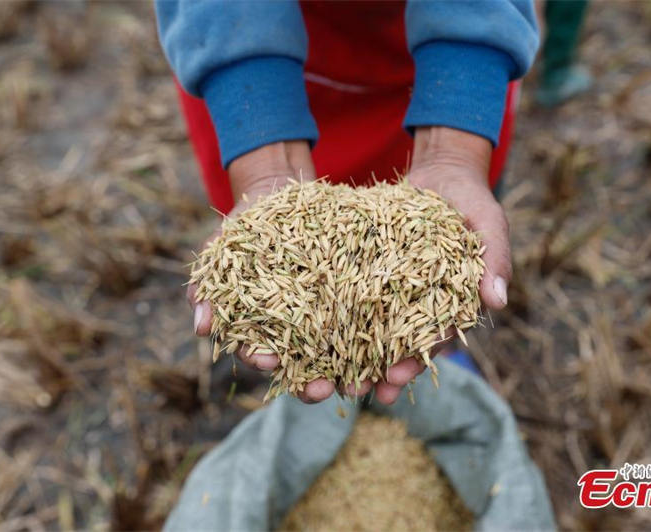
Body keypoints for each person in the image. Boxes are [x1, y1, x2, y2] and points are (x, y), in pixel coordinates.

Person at [156, 0, 539, 405]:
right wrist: (261, 146)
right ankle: (310, 357)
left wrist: (454, 149)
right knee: (262, 208)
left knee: (451, 253)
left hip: (450, 58)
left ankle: (430, 349)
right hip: (240, 50)